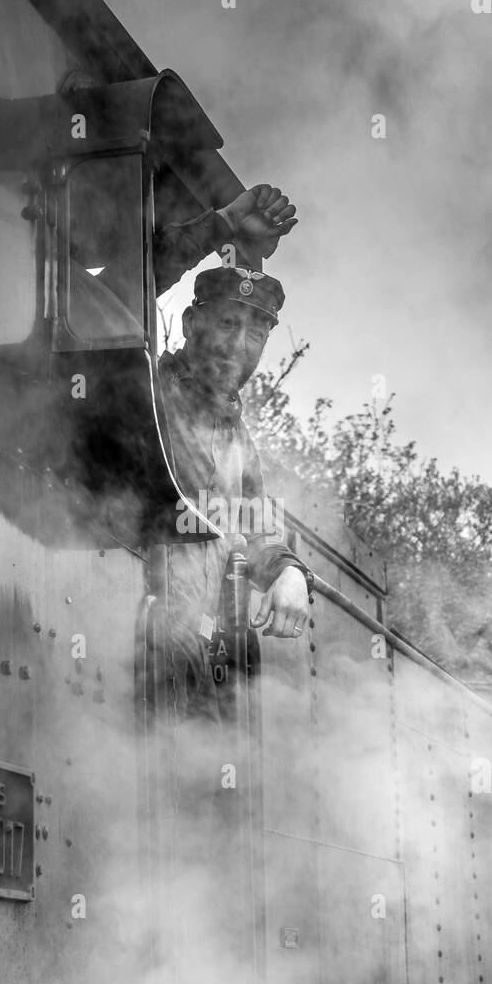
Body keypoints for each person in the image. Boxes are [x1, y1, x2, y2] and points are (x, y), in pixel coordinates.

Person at [147, 184, 313, 724]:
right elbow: (132, 282)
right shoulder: (148, 393)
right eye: (226, 324)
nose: (239, 346)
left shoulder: (239, 441)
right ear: (190, 324)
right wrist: (221, 225)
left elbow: (259, 531)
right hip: (144, 652)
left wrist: (290, 573)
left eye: (255, 334)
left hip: (204, 666)